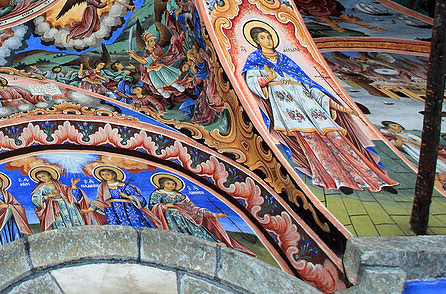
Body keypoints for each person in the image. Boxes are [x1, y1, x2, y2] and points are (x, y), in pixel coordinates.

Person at [241, 21, 398, 192]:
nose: (268, 40)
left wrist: (338, 107)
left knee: (339, 140)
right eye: (263, 38)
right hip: (288, 109)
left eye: (269, 36)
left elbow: (311, 87)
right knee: (313, 145)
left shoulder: (286, 60)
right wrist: (267, 80)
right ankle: (337, 180)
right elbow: (253, 82)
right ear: (256, 41)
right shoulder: (255, 60)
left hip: (311, 106)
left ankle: (372, 178)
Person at [147, 174, 252, 253]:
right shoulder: (157, 194)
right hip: (168, 218)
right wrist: (165, 206)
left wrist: (214, 215)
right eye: (168, 183)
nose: (171, 185)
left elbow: (192, 208)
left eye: (173, 183)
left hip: (186, 216)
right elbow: (153, 206)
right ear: (162, 184)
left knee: (195, 227)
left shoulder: (181, 196)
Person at [87, 165, 155, 227]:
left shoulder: (123, 185)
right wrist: (91, 208)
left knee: (135, 225)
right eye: (103, 175)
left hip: (128, 208)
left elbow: (138, 197)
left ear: (114, 175)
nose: (105, 176)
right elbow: (99, 199)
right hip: (112, 210)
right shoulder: (102, 186)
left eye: (107, 174)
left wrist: (126, 196)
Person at [29, 165, 87, 230]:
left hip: (67, 205)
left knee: (74, 221)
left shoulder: (59, 184)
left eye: (43, 176)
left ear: (49, 175)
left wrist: (73, 186)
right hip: (54, 207)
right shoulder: (41, 187)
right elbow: (34, 198)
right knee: (59, 223)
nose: (42, 179)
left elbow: (68, 192)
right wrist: (48, 196)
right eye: (39, 178)